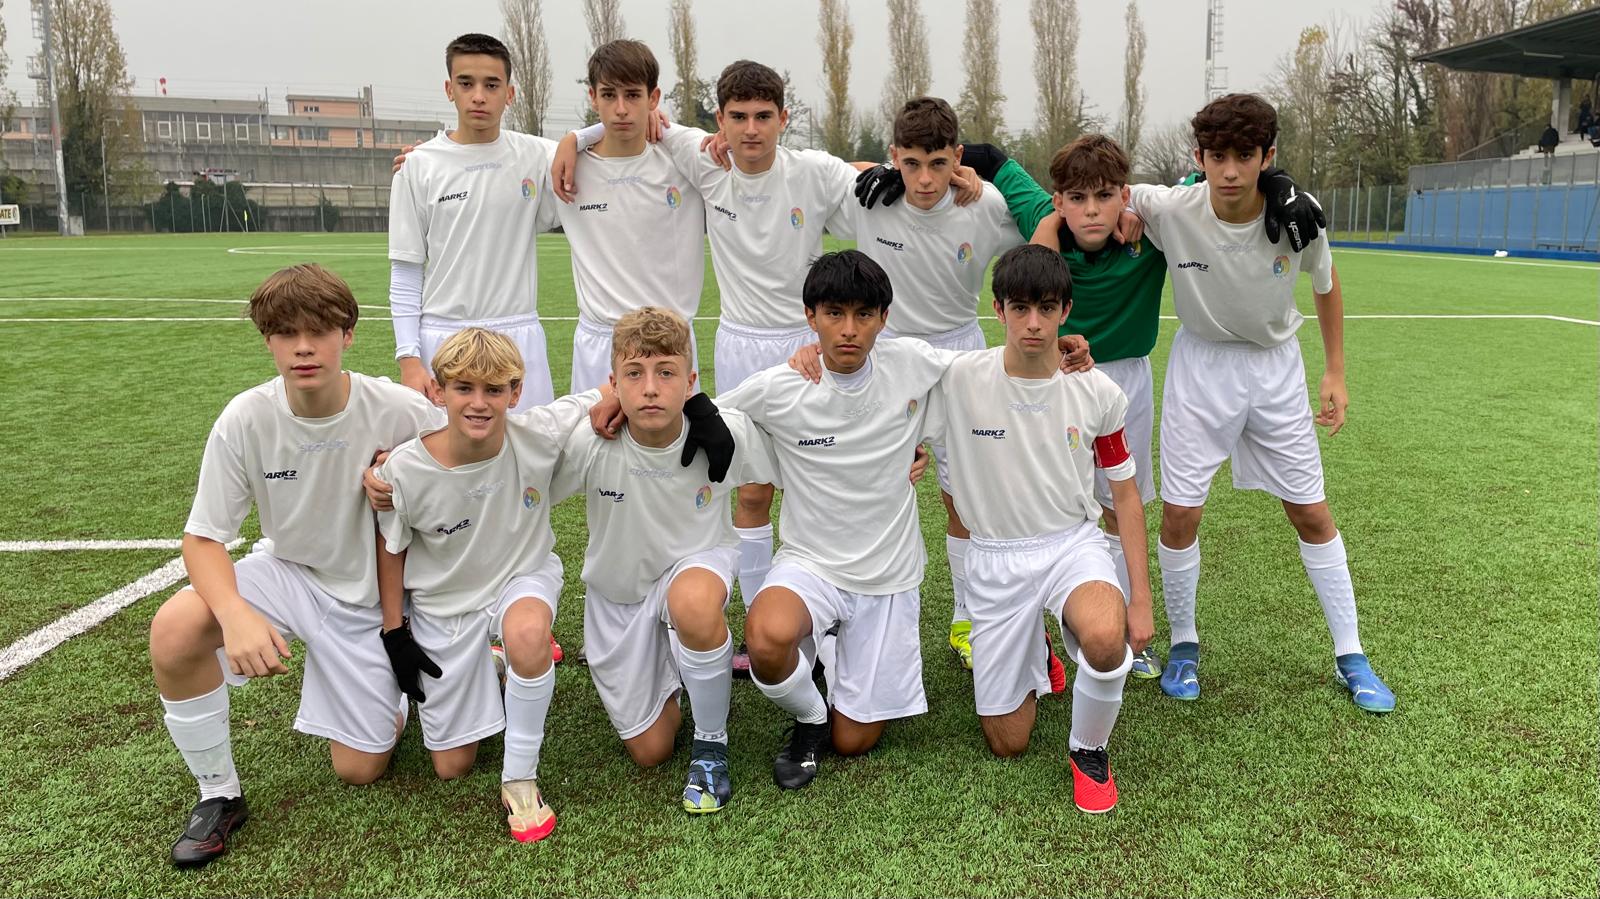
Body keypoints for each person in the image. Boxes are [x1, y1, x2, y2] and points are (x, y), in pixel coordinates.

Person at [552, 60, 864, 674]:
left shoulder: (813, 170)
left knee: (822, 481)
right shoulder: (702, 157)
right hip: (738, 344)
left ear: (784, 118)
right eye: (737, 117)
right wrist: (573, 137)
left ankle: (827, 618)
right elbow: (635, 121)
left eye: (763, 116)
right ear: (718, 121)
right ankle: (756, 624)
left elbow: (881, 181)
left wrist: (974, 166)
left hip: (805, 347)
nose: (750, 130)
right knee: (748, 490)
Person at [148, 264, 440, 867]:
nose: (303, 348)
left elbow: (473, 456)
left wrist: (409, 474)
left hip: (370, 599)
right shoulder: (246, 417)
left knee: (359, 769)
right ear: (268, 341)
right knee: (175, 629)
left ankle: (398, 697)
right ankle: (218, 794)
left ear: (347, 335)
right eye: (286, 333)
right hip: (288, 574)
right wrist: (234, 615)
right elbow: (202, 538)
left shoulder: (399, 409)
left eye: (319, 331)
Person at [1126, 93, 1394, 713]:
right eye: (1216, 156)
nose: (1229, 171)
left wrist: (1335, 370)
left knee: (1311, 512)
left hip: (1276, 371)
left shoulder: (1299, 217)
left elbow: (1325, 285)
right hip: (1200, 370)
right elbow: (1103, 190)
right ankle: (1185, 642)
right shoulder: (1171, 207)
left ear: (1267, 156)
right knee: (1180, 515)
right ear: (1198, 157)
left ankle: (1351, 654)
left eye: (1244, 156)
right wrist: (1128, 212)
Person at [926, 244, 1152, 814]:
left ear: (1065, 311)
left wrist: (1142, 600)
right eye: (1020, 308)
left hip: (1070, 545)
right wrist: (810, 353)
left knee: (1106, 639)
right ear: (998, 310)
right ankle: (1037, 644)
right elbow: (875, 363)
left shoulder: (1097, 391)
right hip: (994, 557)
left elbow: (1125, 495)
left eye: (1047, 308)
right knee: (1009, 742)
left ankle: (1088, 751)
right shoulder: (956, 378)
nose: (1033, 323)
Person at [717, 251, 954, 788]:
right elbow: (699, 415)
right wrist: (608, 399)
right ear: (810, 316)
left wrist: (1062, 354)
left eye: (863, 315)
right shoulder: (781, 386)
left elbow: (992, 374)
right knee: (766, 639)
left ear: (884, 319)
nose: (849, 330)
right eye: (833, 314)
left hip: (887, 576)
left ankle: (829, 656)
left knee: (854, 744)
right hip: (812, 564)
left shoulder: (911, 364)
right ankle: (810, 715)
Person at [372, 328, 610, 843]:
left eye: (494, 390)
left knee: (527, 633)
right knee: (451, 765)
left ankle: (520, 778)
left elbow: (614, 388)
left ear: (515, 393)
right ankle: (495, 665)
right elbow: (392, 550)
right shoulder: (403, 469)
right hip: (445, 604)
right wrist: (394, 633)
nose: (479, 403)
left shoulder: (539, 431)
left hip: (521, 576)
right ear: (439, 393)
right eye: (463, 388)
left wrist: (613, 402)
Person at [552, 307, 773, 813]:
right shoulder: (591, 441)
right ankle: (680, 670)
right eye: (634, 374)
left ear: (691, 382)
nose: (650, 388)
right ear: (613, 384)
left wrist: (902, 460)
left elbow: (808, 451)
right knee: (651, 751)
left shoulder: (722, 431)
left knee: (692, 604)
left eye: (666, 373)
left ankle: (711, 746)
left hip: (694, 562)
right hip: (619, 595)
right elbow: (514, 466)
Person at [387, 33, 562, 414]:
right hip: (444, 337)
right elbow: (405, 270)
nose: (478, 96)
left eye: (491, 85)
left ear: (509, 94)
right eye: (466, 84)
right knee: (446, 448)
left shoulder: (537, 155)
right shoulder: (418, 166)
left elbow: (602, 148)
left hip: (518, 336)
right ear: (449, 89)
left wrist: (652, 118)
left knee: (530, 447)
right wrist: (409, 358)